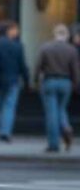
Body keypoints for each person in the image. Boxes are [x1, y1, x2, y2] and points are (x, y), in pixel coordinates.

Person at [35, 24, 80, 153]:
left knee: (52, 113)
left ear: (54, 34)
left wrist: (34, 80)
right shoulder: (71, 50)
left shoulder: (46, 47)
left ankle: (53, 144)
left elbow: (38, 66)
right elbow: (75, 70)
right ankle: (66, 127)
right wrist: (76, 85)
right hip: (65, 82)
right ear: (66, 35)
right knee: (61, 109)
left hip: (49, 81)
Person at [0, 20, 29, 143]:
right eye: (15, 29)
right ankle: (5, 132)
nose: (17, 32)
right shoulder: (18, 45)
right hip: (13, 81)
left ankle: (2, 131)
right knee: (9, 106)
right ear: (8, 30)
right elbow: (22, 65)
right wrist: (27, 80)